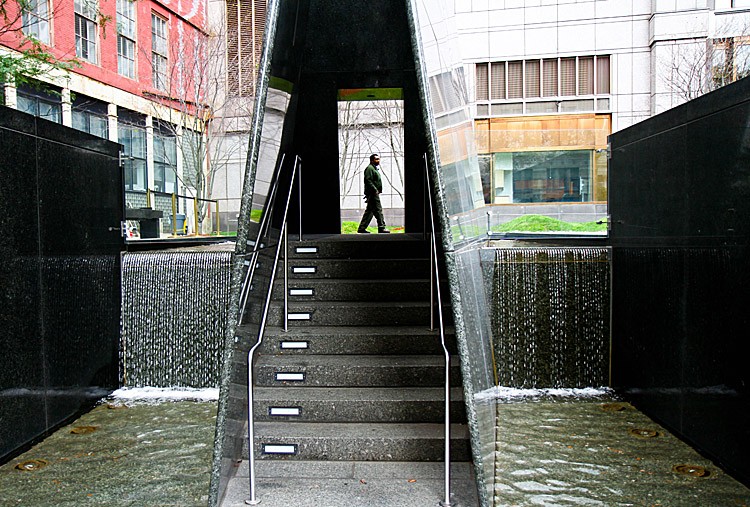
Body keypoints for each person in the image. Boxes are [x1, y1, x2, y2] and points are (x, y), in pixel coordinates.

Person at [357, 154, 390, 233]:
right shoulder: (370, 169)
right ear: (372, 160)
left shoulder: (374, 169)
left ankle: (362, 228)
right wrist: (375, 190)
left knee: (370, 211)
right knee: (378, 210)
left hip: (373, 193)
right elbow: (368, 180)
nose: (378, 161)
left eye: (378, 159)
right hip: (372, 193)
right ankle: (381, 227)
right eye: (376, 159)